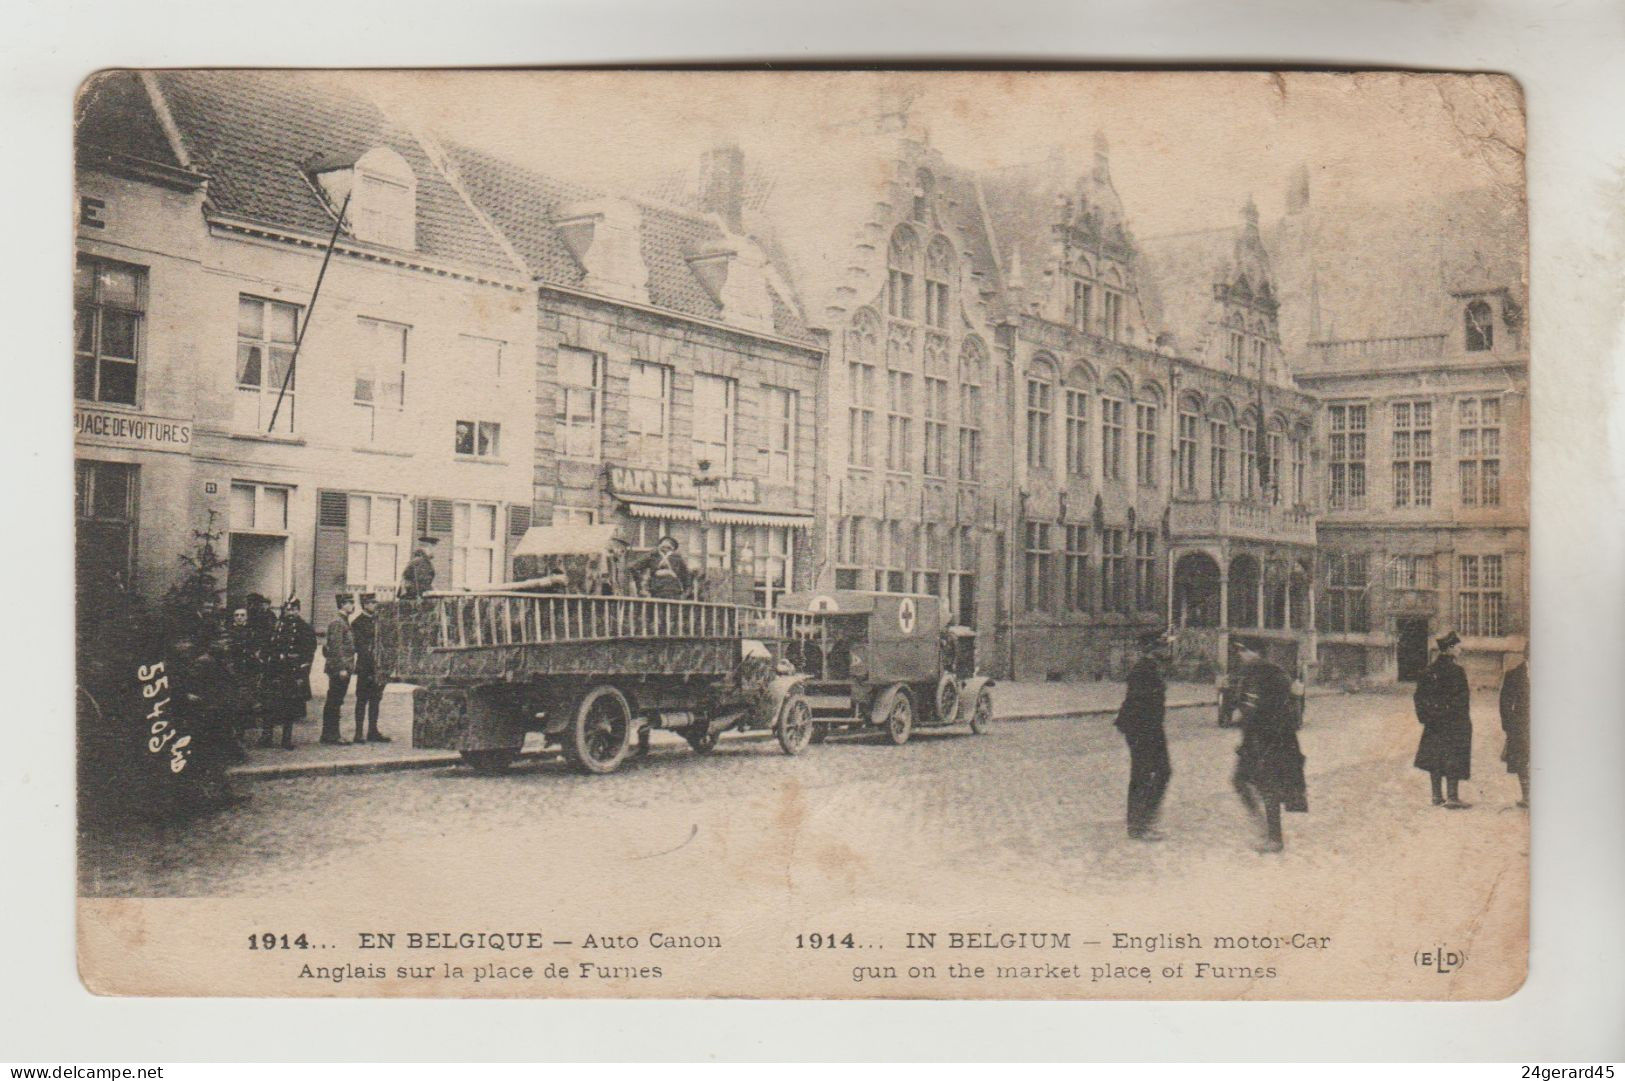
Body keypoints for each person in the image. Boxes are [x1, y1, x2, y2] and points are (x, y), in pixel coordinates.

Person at [1230, 637, 1308, 853]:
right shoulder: (1258, 672)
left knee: (1266, 786)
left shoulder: (1267, 674)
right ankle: (1266, 830)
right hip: (1256, 739)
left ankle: (1273, 838)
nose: (1241, 655)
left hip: (1268, 740)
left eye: (1244, 651)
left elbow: (1271, 708)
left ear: (1255, 653)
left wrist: (1244, 716)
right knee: (1241, 782)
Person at [1115, 629, 1174, 841]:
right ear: (1153, 649)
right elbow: (1138, 705)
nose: (1168, 649)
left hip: (1149, 729)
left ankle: (1142, 821)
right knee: (1145, 774)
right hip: (1143, 729)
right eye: (1163, 645)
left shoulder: (1151, 668)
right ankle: (1139, 825)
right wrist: (1144, 733)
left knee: (1159, 772)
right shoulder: (1144, 670)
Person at [1414, 630, 1473, 808]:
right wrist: (1461, 722)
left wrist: (1426, 717)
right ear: (1450, 648)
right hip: (1453, 723)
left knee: (1435, 756)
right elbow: (1462, 700)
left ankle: (1436, 796)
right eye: (1458, 647)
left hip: (1433, 723)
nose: (1460, 651)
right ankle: (1453, 797)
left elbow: (1419, 698)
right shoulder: (1457, 671)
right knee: (1452, 757)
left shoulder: (1428, 671)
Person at [261, 598, 316, 749]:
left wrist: (302, 674)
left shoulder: (305, 628)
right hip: (275, 671)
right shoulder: (277, 626)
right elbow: (268, 646)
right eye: (288, 610)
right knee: (270, 704)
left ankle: (286, 739)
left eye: (293, 610)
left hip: (293, 672)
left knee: (289, 706)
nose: (290, 612)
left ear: (298, 610)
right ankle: (266, 736)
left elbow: (308, 653)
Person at [351, 593, 389, 744]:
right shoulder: (357, 623)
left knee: (376, 699)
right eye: (372, 602)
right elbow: (360, 647)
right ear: (364, 604)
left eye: (375, 602)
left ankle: (373, 731)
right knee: (362, 699)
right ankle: (358, 733)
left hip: (379, 668)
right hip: (366, 667)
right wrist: (371, 664)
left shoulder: (380, 621)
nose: (375, 605)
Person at [322, 593, 357, 745]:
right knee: (334, 701)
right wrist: (341, 668)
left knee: (336, 701)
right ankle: (331, 735)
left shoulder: (344, 621)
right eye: (349, 603)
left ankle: (330, 734)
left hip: (344, 668)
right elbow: (335, 648)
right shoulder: (338, 622)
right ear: (342, 604)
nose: (352, 605)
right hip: (339, 669)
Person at [1498, 645, 1530, 808]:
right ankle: (1527, 796)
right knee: (1521, 761)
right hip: (1521, 726)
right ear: (1527, 655)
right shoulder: (1514, 674)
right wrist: (1509, 726)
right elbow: (1504, 703)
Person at [635, 536, 693, 600]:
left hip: (673, 591)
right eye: (663, 545)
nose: (666, 548)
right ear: (659, 546)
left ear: (673, 548)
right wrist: (640, 587)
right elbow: (634, 567)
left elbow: (686, 576)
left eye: (669, 546)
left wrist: (686, 593)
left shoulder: (677, 558)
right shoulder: (653, 556)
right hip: (656, 590)